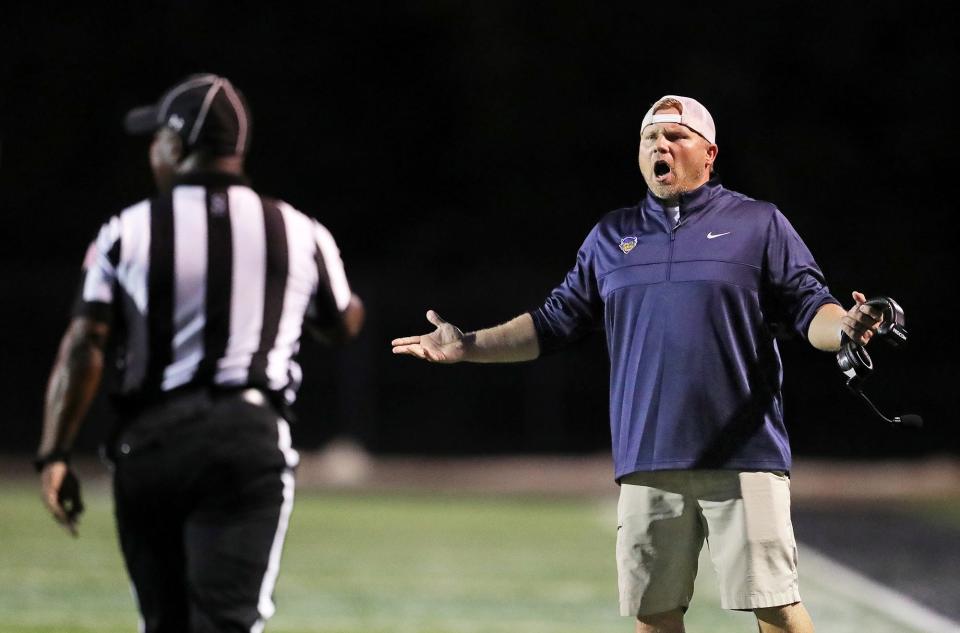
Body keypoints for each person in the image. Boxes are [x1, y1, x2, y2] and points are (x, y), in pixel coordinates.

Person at [392, 95, 883, 633]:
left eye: (675, 136)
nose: (660, 146)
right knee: (654, 617)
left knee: (776, 610)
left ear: (709, 152)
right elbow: (554, 321)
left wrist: (846, 328)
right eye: (651, 138)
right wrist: (468, 344)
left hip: (744, 454)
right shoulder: (611, 234)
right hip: (648, 454)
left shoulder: (758, 222)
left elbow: (812, 307)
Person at [36, 73, 364, 633]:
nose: (151, 151)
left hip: (152, 442)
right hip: (247, 439)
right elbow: (342, 322)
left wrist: (55, 452)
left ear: (178, 143)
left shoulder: (128, 230)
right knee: (227, 624)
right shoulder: (298, 230)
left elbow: (85, 345)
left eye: (157, 136)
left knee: (165, 624)